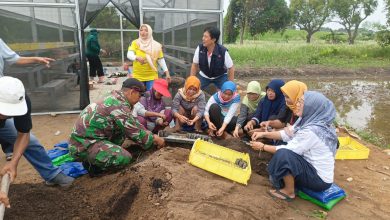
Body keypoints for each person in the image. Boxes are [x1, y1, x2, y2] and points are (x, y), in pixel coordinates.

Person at [0, 77, 75, 207]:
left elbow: (23, 134)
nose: (7, 115)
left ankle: (52, 175)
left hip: (7, 126)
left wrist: (13, 163)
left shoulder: (20, 99)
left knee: (32, 142)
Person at [250, 91, 338, 201]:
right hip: (311, 167)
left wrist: (262, 147)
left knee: (284, 155)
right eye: (299, 101)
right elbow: (287, 134)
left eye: (301, 102)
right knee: (283, 154)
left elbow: (288, 149)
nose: (297, 105)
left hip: (319, 180)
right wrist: (264, 133)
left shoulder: (312, 131)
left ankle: (288, 192)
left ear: (311, 107)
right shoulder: (309, 120)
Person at [69, 78, 165, 174]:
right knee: (124, 158)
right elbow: (135, 133)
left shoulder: (115, 98)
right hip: (83, 145)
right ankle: (95, 168)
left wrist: (148, 133)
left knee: (122, 133)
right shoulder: (118, 105)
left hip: (89, 139)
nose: (140, 99)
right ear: (132, 92)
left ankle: (100, 157)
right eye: (140, 95)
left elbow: (132, 123)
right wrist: (154, 139)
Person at [127, 24, 171, 90]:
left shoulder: (156, 45)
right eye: (141, 30)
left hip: (152, 76)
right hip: (138, 75)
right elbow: (129, 54)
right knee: (138, 96)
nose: (143, 32)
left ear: (150, 32)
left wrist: (167, 73)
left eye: (146, 30)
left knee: (150, 96)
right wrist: (136, 57)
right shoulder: (135, 43)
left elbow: (160, 60)